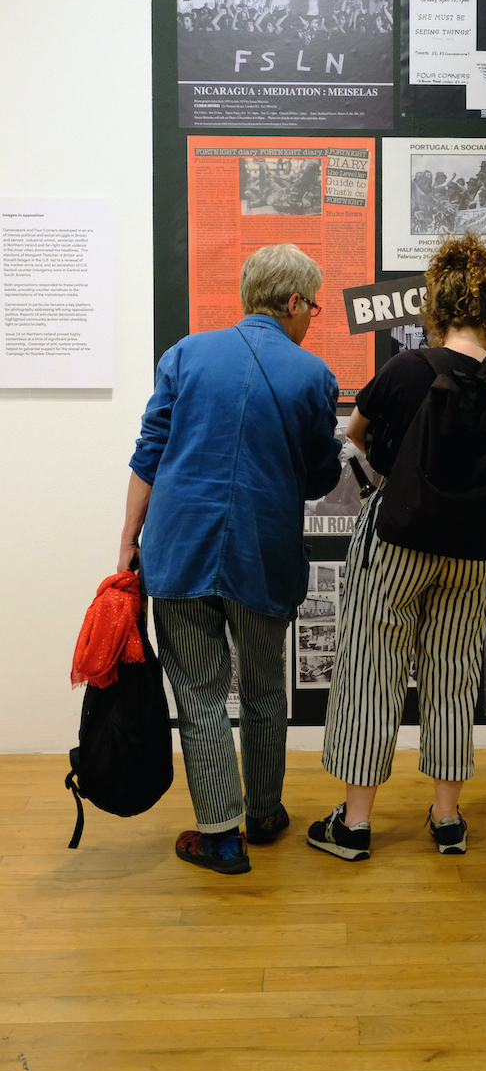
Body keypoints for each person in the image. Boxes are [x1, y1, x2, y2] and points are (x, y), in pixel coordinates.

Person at [119, 244, 341, 874]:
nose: (310, 322)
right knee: (267, 687)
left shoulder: (185, 355)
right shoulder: (313, 376)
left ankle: (219, 836)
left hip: (179, 545)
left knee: (199, 690)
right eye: (313, 308)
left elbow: (148, 458)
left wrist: (128, 544)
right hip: (261, 553)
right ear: (294, 302)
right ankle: (265, 815)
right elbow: (320, 478)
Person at [308, 232, 486, 861]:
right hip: (471, 552)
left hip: (397, 543)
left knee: (373, 672)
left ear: (437, 304)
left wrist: (381, 481)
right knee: (453, 676)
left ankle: (354, 825)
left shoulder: (407, 369)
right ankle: (448, 818)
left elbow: (354, 440)